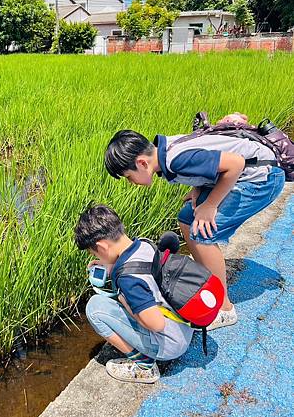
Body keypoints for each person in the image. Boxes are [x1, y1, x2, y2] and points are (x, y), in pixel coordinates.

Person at [104, 127, 285, 330]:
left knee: (201, 232)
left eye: (129, 177)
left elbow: (236, 164)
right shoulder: (164, 153)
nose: (131, 183)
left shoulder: (175, 160)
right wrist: (198, 189)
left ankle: (224, 310)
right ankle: (208, 281)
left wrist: (210, 205)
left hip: (262, 179)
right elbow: (204, 163)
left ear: (142, 163)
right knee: (187, 218)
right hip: (247, 173)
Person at [74, 204, 194, 383]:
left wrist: (125, 301)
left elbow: (156, 324)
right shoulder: (144, 245)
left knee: (95, 308)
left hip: (170, 344)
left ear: (101, 246)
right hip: (185, 326)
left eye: (93, 251)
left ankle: (144, 365)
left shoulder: (128, 280)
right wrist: (109, 265)